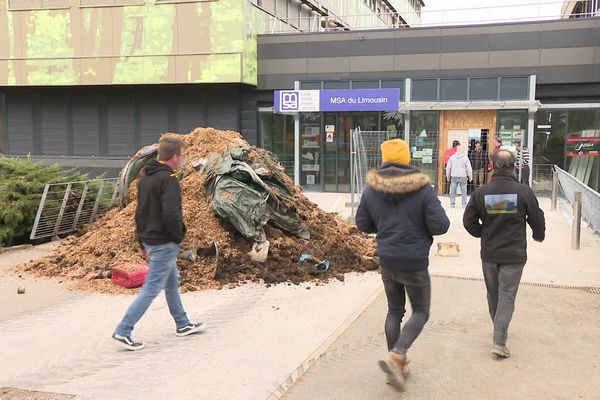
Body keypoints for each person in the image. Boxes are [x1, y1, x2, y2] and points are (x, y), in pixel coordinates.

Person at [356, 139, 450, 390]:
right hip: (414, 261)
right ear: (407, 159)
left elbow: (363, 224)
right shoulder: (423, 189)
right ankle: (397, 354)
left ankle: (395, 367)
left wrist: (385, 224)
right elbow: (441, 225)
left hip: (387, 259)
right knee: (421, 311)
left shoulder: (371, 190)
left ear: (384, 158)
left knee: (394, 312)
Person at [113, 137, 204, 351]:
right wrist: (177, 237)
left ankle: (182, 324)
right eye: (182, 155)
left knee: (172, 281)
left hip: (151, 239)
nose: (184, 159)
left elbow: (139, 212)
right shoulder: (169, 180)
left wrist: (141, 242)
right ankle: (124, 330)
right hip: (164, 241)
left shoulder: (145, 177)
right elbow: (172, 214)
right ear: (174, 157)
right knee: (152, 287)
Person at [463, 150, 545, 358]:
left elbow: (468, 221)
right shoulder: (523, 191)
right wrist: (538, 234)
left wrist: (483, 234)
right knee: (507, 296)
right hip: (514, 253)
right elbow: (537, 217)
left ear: (493, 166)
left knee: (494, 294)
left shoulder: (482, 192)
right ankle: (499, 339)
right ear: (513, 166)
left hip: (490, 253)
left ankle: (499, 328)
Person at [446, 143, 473, 208]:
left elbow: (448, 167)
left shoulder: (452, 158)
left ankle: (452, 204)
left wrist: (448, 176)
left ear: (456, 150)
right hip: (463, 176)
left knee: (453, 190)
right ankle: (464, 204)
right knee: (464, 190)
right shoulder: (465, 158)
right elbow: (469, 168)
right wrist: (470, 176)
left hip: (454, 176)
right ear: (463, 151)